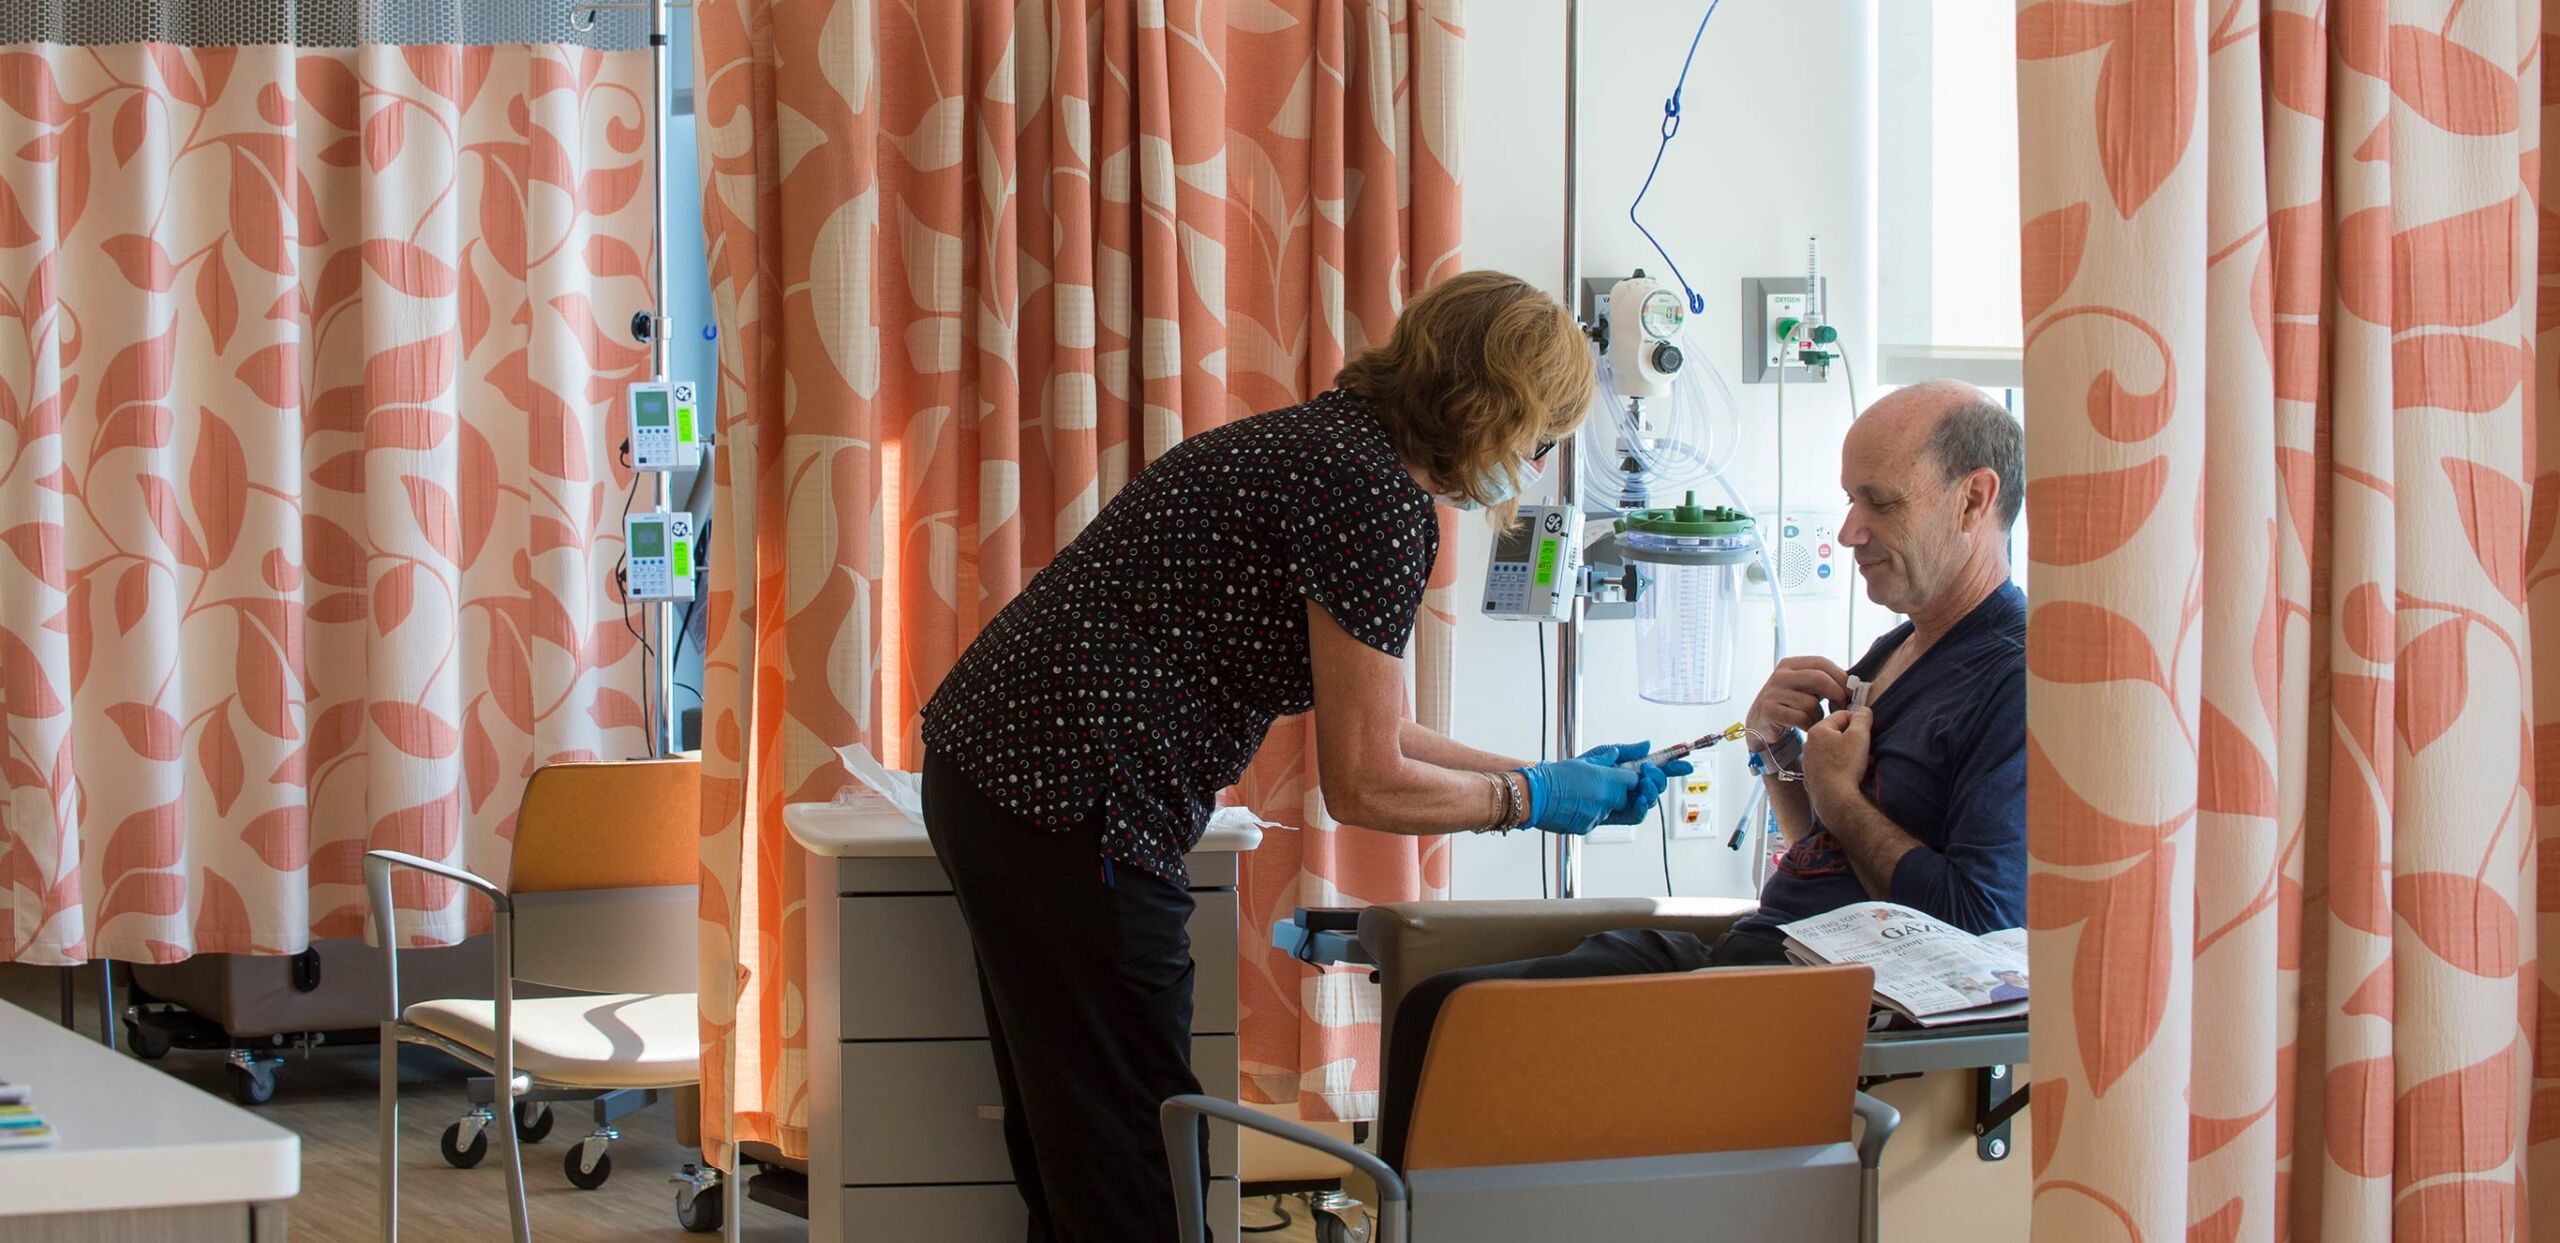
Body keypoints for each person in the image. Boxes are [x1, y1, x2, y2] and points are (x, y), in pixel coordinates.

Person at [917, 270, 1688, 1243]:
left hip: (1007, 777)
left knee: (1081, 1132)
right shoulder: (1370, 495)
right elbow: (1363, 779)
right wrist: (1526, 799)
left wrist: (1545, 771)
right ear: (1495, 409)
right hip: (1074, 799)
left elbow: (1374, 719)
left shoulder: (1331, 448)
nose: (1533, 464)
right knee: (1134, 1151)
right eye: (1540, 435)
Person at [1374, 378, 2029, 1167]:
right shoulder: (1901, 648)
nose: (1850, 529)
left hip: (1805, 1010)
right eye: (1850, 500)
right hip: (1757, 959)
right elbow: (1829, 847)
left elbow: (1979, 923)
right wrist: (1782, 756)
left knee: (1462, 1024)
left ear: (1973, 499)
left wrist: (1835, 791)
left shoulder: (2016, 677)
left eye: (1878, 502)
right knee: (1436, 1008)